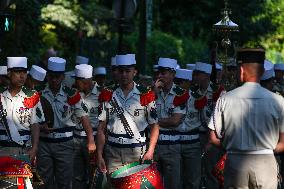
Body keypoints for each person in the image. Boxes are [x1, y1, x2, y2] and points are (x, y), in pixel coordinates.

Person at [209, 48, 284, 189]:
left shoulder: (225, 99)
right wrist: (265, 148)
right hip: (265, 161)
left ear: (242, 71)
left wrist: (232, 146)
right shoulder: (278, 101)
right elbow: (283, 143)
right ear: (262, 72)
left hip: (235, 161)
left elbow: (213, 137)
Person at [96, 54, 159, 178]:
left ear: (134, 72)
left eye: (127, 71)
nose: (124, 74)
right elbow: (101, 128)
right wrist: (99, 155)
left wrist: (150, 151)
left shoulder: (145, 94)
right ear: (117, 72)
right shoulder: (108, 94)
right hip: (113, 152)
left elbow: (154, 126)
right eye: (121, 71)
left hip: (136, 152)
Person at [36, 57, 95, 189]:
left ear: (63, 76)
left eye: (57, 77)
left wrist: (91, 139)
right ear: (47, 76)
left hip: (65, 144)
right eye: (51, 76)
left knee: (65, 181)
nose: (54, 80)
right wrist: (40, 126)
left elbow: (84, 117)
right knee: (43, 181)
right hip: (44, 143)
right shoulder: (38, 93)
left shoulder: (71, 94)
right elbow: (30, 118)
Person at [0, 57, 44, 161]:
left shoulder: (32, 95)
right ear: (9, 73)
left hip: (24, 150)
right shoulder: (1, 94)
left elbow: (35, 124)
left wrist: (35, 148)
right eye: (17, 72)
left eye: (24, 72)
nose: (22, 76)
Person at [154, 58, 189, 189]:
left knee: (172, 184)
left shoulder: (180, 94)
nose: (159, 76)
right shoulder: (153, 92)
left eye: (164, 73)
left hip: (171, 146)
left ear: (173, 74)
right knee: (153, 183)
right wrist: (154, 94)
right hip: (155, 145)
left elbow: (175, 121)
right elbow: (143, 115)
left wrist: (154, 123)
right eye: (159, 73)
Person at [192, 62, 225, 189]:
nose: (195, 77)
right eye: (195, 74)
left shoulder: (218, 90)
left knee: (212, 170)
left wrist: (212, 140)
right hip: (197, 135)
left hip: (213, 136)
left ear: (206, 75)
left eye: (198, 74)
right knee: (196, 170)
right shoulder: (194, 91)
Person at [72, 64, 101, 189]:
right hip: (75, 139)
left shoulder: (102, 94)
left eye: (80, 82)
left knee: (94, 176)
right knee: (76, 176)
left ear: (88, 81)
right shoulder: (72, 93)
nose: (76, 84)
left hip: (94, 140)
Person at [175, 68, 202, 189]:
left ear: (188, 82)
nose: (180, 85)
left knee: (193, 179)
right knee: (176, 179)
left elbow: (204, 119)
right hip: (175, 141)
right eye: (178, 82)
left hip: (193, 142)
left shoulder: (198, 98)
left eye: (182, 82)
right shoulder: (172, 97)